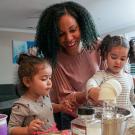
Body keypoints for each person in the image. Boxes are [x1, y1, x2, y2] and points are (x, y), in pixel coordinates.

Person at [35, 1, 103, 130]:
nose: (69, 38)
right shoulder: (53, 60)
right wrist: (88, 93)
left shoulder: (98, 46)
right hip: (73, 117)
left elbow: (110, 75)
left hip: (102, 113)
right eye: (61, 34)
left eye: (73, 30)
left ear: (82, 26)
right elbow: (65, 98)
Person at [8, 54, 71, 135]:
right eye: (44, 79)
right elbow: (10, 129)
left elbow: (48, 107)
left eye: (50, 78)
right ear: (27, 81)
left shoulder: (44, 96)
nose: (49, 82)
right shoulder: (21, 105)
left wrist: (60, 107)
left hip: (53, 132)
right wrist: (27, 130)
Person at [86, 35, 135, 117]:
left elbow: (132, 99)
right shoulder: (102, 75)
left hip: (129, 119)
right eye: (114, 57)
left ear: (127, 59)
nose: (118, 62)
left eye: (122, 59)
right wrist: (92, 90)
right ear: (106, 55)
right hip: (109, 119)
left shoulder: (129, 78)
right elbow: (91, 82)